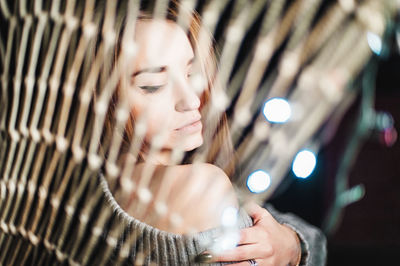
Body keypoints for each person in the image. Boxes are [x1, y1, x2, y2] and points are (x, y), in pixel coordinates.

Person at [100, 1, 327, 265]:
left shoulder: (96, 192)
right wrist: (292, 251)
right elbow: (320, 246)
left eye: (192, 73)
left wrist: (291, 242)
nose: (192, 100)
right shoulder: (199, 186)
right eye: (154, 85)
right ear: (104, 97)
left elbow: (310, 237)